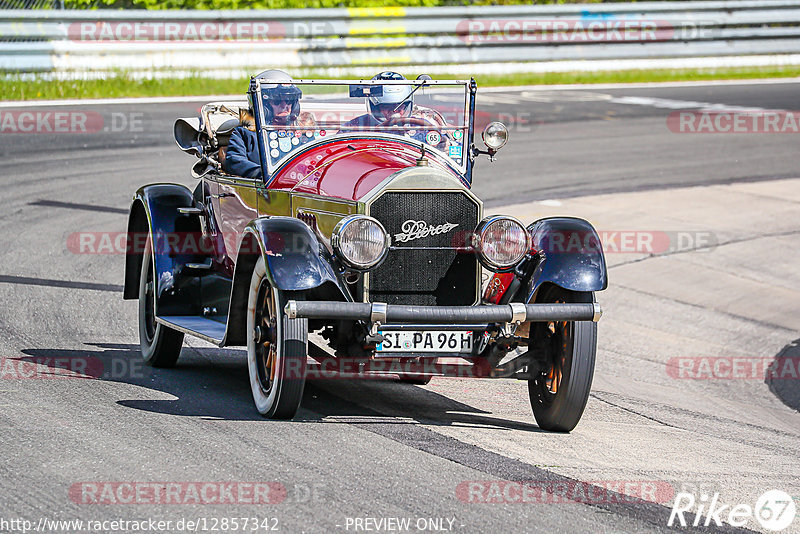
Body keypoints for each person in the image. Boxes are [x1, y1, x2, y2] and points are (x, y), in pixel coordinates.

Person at [223, 69, 308, 178]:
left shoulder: (302, 130)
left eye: (289, 101)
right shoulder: (245, 133)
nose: (284, 106)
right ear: (264, 105)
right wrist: (264, 175)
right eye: (277, 101)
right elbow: (235, 161)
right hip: (261, 188)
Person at [341, 71, 451, 151]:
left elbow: (453, 147)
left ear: (407, 105)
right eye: (387, 107)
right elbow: (334, 149)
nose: (394, 112)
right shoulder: (356, 127)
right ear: (375, 107)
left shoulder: (425, 127)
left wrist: (444, 147)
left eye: (399, 106)